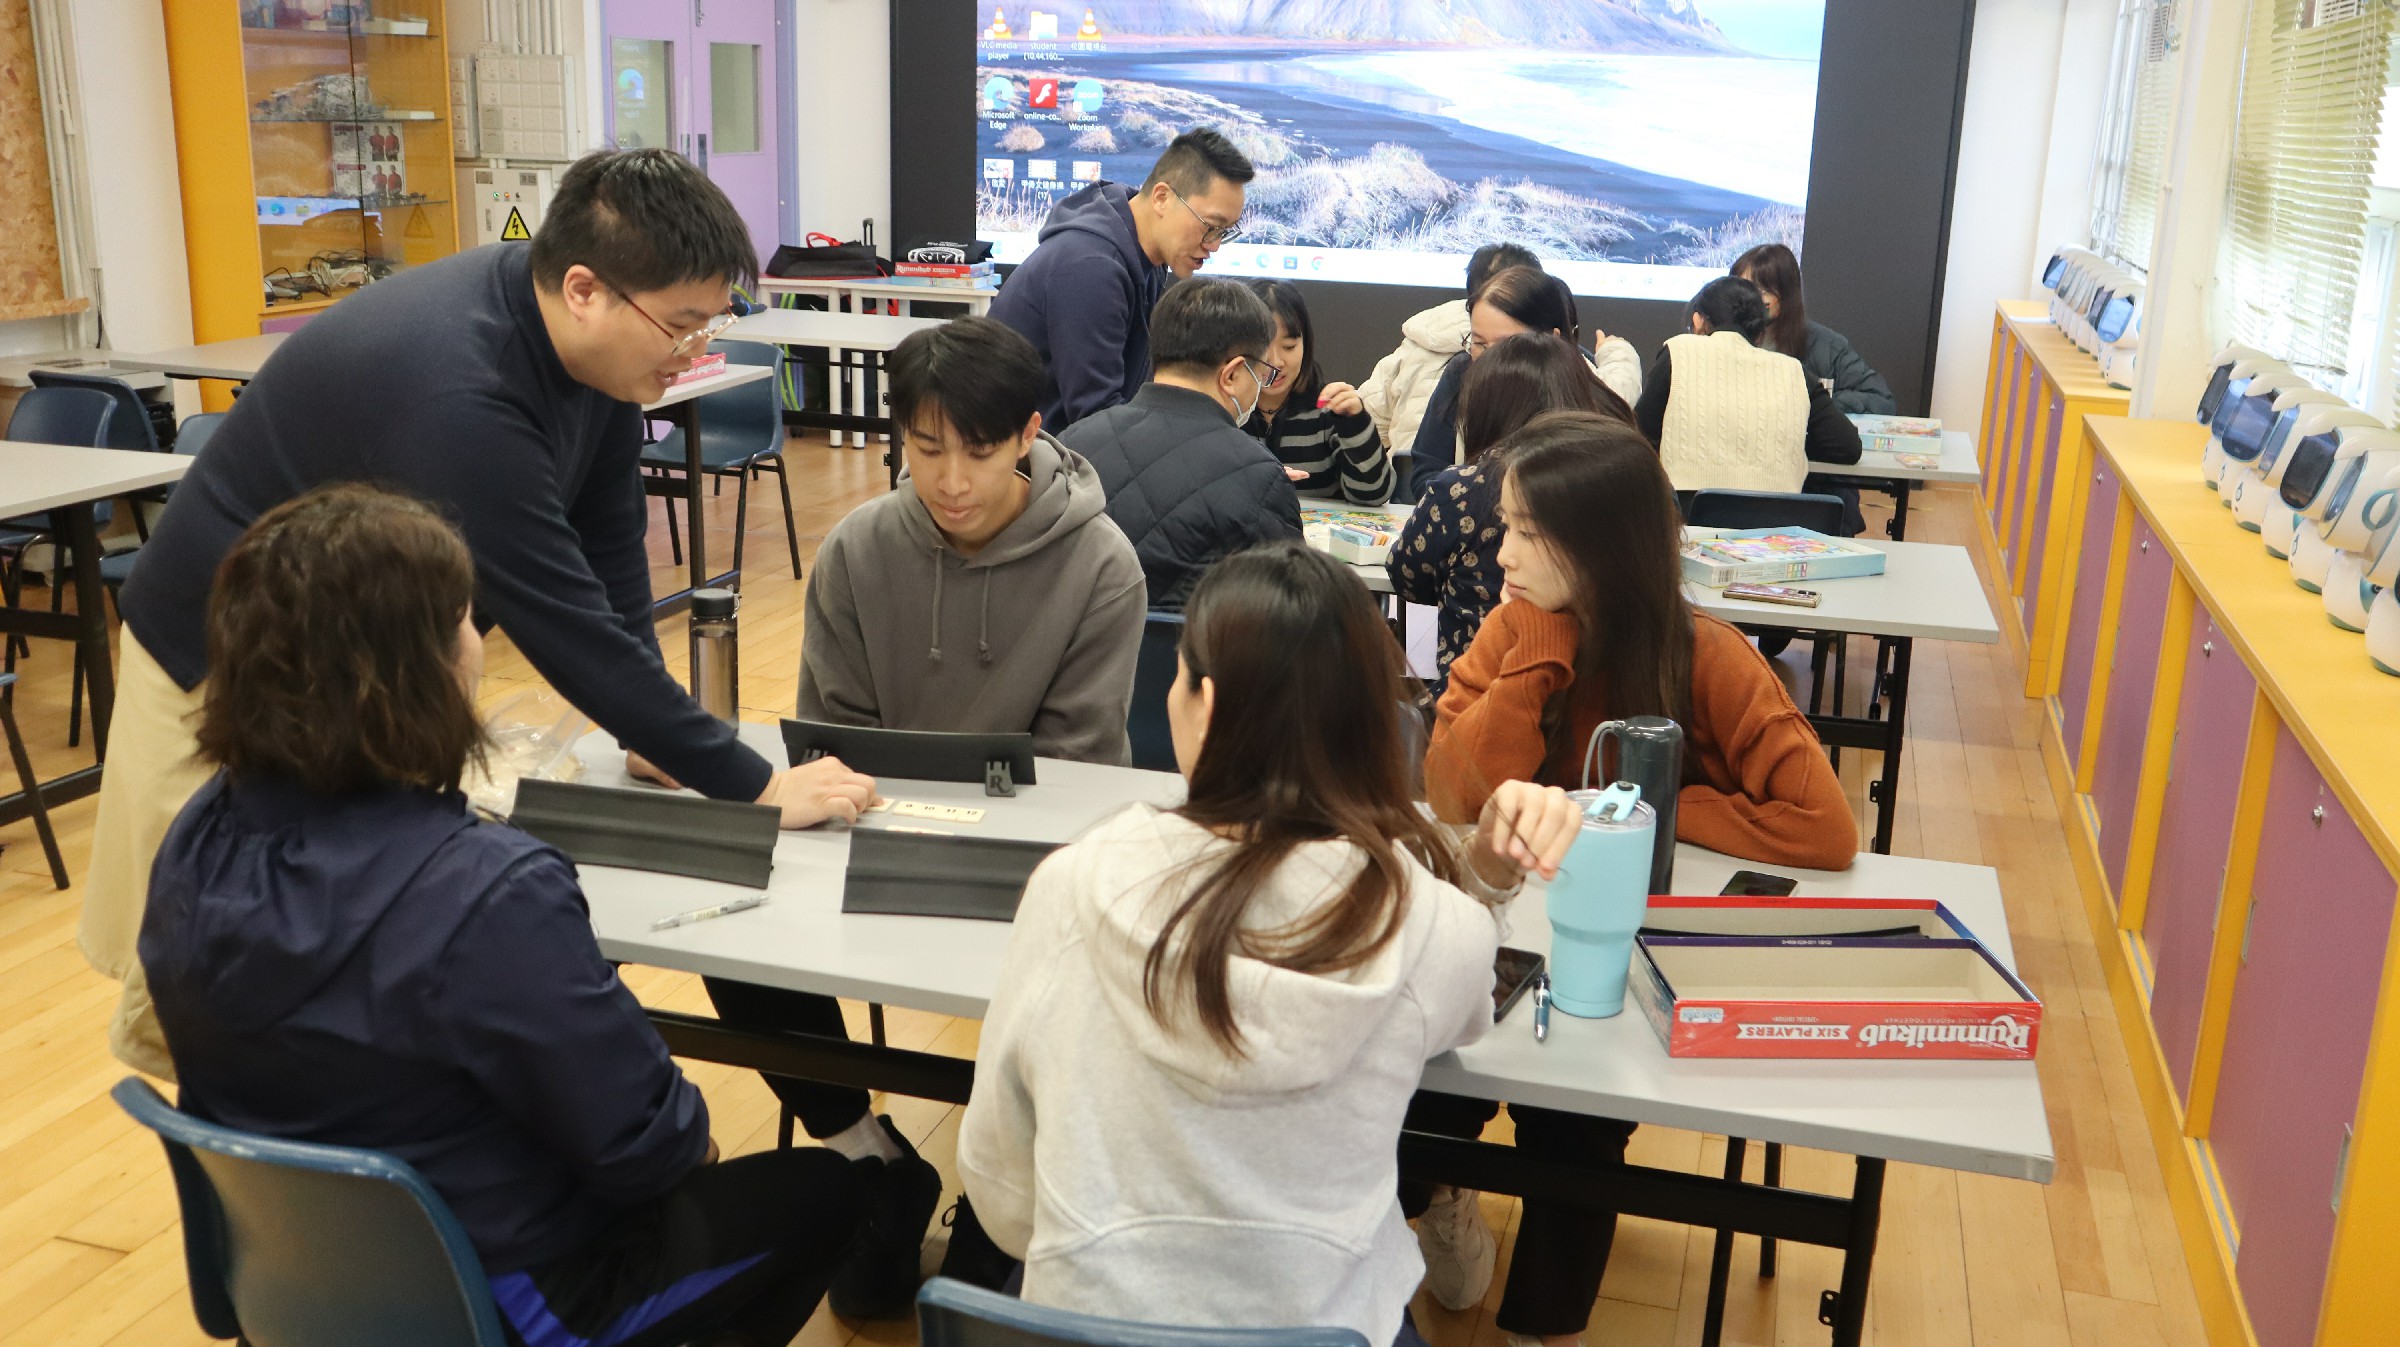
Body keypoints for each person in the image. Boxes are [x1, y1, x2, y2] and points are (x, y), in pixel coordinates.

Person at [86, 148, 858, 1079]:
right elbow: (561, 619)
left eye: (711, 322)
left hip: (360, 654)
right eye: (683, 325)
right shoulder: (464, 390)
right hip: (222, 656)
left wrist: (650, 730)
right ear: (586, 290)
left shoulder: (592, 357)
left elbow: (610, 544)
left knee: (326, 948)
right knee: (199, 964)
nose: (696, 349)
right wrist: (757, 788)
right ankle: (244, 1152)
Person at [139, 485, 869, 1347]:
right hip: (511, 1299)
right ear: (418, 673)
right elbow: (657, 1144)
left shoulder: (192, 843)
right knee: (833, 1190)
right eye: (465, 620)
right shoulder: (486, 893)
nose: (479, 641)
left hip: (297, 1282)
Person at [956, 541, 1581, 1345]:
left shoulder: (1071, 886)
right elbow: (1464, 1009)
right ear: (1374, 720)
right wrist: (1486, 877)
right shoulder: (1430, 922)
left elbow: (1000, 1189)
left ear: (1206, 704)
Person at [714, 316, 1149, 1318]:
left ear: (1030, 434)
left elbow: (1075, 770)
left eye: (980, 452)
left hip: (1033, 869)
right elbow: (833, 738)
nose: (951, 480)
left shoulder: (1100, 565)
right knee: (730, 937)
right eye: (924, 448)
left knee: (1077, 996)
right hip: (872, 840)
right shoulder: (861, 549)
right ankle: (865, 1156)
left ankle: (1003, 1207)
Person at [1409, 413, 1857, 1345]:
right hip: (1501, 934)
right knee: (1427, 1080)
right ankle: (1438, 1194)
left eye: (1526, 531)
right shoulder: (1515, 627)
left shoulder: (1707, 654)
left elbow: (1824, 824)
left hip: (1619, 956)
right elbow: (1453, 793)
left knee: (1578, 1127)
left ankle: (1544, 1325)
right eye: (1506, 525)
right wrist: (1537, 651)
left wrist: (1649, 806)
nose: (1502, 553)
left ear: (1601, 545)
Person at [1387, 333, 1633, 687]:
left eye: (1529, 532)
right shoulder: (1608, 478)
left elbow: (1407, 575)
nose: (1504, 558)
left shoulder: (1463, 487)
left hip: (1475, 689)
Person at [1058, 277, 1302, 611]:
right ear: (1232, 375)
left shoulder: (1070, 446)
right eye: (1261, 374)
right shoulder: (1261, 477)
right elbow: (1287, 612)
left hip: (1079, 644)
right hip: (1196, 646)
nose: (1260, 386)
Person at [990, 128, 1255, 429]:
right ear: (1162, 198)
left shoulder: (1144, 258)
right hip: (1014, 451)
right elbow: (1097, 420)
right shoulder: (1091, 268)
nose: (1214, 245)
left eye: (1225, 232)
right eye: (1210, 226)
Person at [1407, 266, 1641, 498]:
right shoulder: (1461, 372)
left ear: (1552, 339)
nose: (1490, 358)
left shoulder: (1593, 402)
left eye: (1506, 345)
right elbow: (1426, 472)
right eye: (1479, 344)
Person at [1634, 276, 1863, 508]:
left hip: (1689, 518)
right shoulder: (1794, 371)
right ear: (1760, 332)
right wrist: (1787, 442)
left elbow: (1638, 434)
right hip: (1775, 521)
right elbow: (1847, 447)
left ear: (1698, 321)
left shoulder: (1679, 352)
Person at [1356, 242, 1539, 460]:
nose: (1487, 354)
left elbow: (1371, 421)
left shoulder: (1424, 332)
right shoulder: (1454, 364)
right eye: (1479, 343)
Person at [1239, 278, 1395, 505]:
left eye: (1289, 347)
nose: (1276, 362)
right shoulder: (1225, 410)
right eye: (1262, 347)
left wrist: (1355, 424)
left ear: (1306, 344)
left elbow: (1374, 495)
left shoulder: (1329, 410)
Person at [1731, 243, 1897, 416]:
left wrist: (1817, 403)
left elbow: (1881, 400)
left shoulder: (1826, 345)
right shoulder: (1722, 340)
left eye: (1761, 291)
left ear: (1786, 293)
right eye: (1739, 291)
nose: (1748, 301)